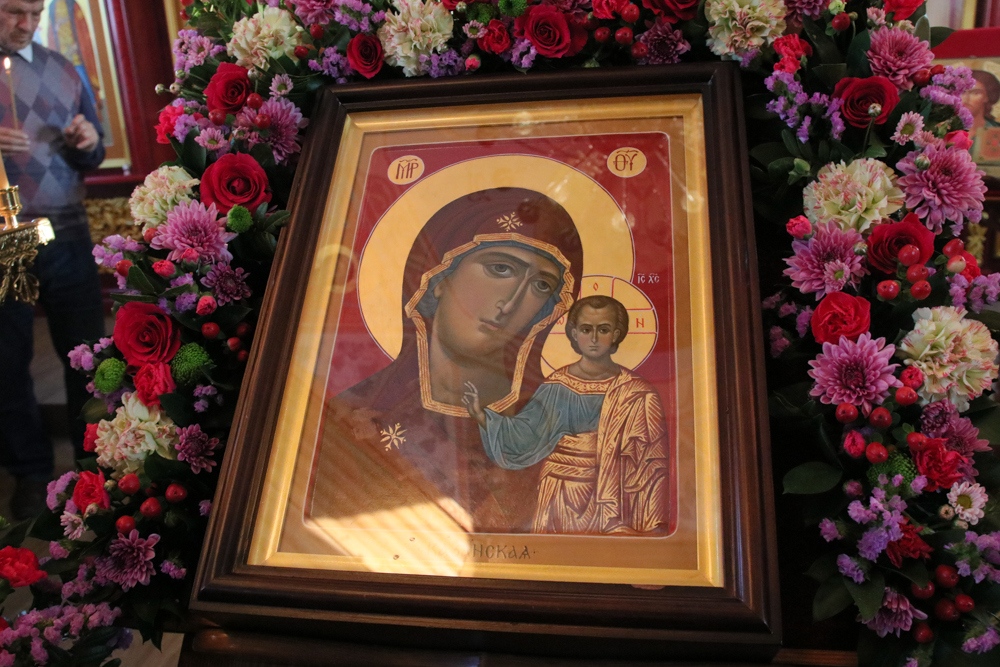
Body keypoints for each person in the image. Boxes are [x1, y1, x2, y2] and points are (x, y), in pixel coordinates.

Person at [314, 187, 583, 534]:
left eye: (541, 285)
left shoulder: (562, 428)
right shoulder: (354, 415)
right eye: (500, 268)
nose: (512, 302)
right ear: (438, 277)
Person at [0, 0, 105, 520]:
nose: (27, 24)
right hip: (5, 237)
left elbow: (94, 151)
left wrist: (87, 142)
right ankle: (32, 472)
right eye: (13, 12)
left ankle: (93, 468)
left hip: (66, 227)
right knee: (6, 361)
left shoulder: (63, 69)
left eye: (36, 13)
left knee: (85, 353)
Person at [464, 295, 672, 535]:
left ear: (616, 334)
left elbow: (652, 463)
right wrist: (483, 417)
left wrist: (652, 524)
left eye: (603, 329)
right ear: (574, 333)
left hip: (613, 500)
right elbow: (525, 433)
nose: (594, 338)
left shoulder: (638, 394)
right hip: (559, 491)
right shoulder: (557, 386)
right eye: (586, 329)